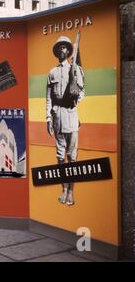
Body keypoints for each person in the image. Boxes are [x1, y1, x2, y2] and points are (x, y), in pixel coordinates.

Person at [46, 35, 85, 206]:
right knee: (60, 157)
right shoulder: (52, 72)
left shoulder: (76, 70)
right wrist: (48, 118)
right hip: (57, 117)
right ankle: (63, 188)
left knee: (72, 157)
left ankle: (71, 191)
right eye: (59, 48)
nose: (62, 50)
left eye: (64, 47)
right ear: (57, 52)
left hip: (71, 115)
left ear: (69, 51)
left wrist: (76, 96)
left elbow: (82, 91)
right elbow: (48, 98)